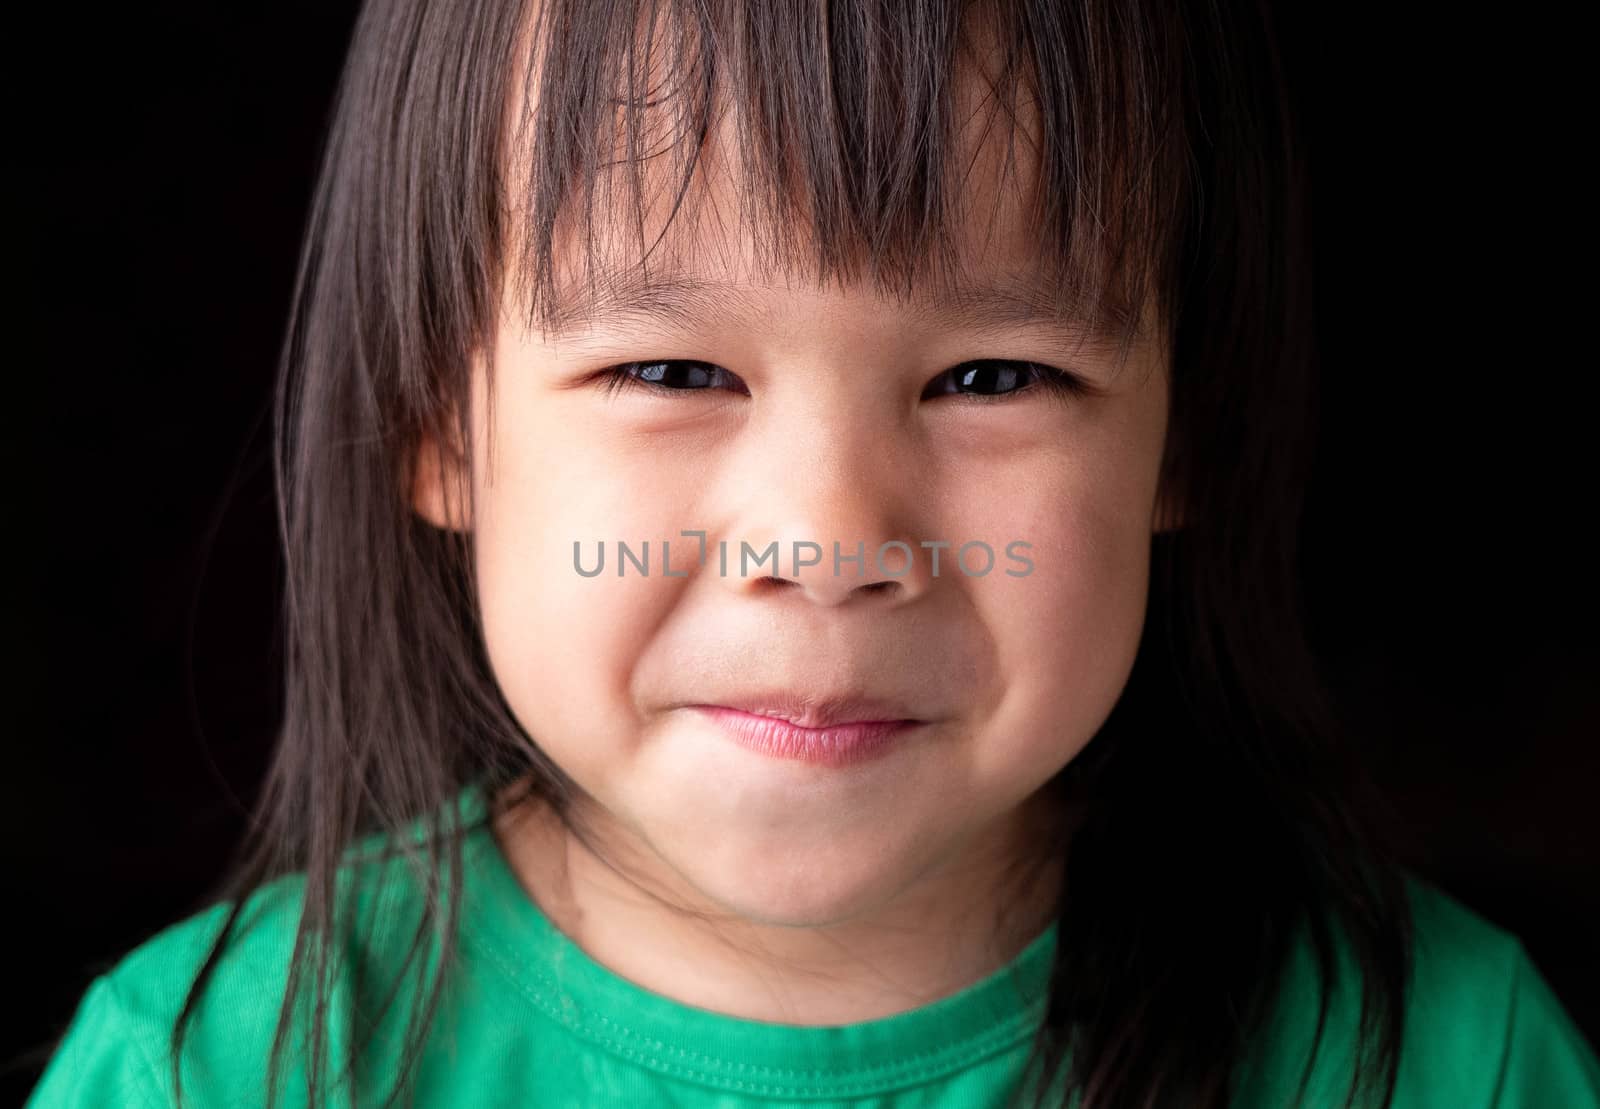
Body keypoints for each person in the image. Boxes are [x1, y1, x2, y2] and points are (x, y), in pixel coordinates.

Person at [27, 0, 1600, 1106]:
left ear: (1183, 430)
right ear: (441, 416)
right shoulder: (209, 1069)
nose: (830, 544)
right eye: (672, 372)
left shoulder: (1439, 1063)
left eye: (993, 378)